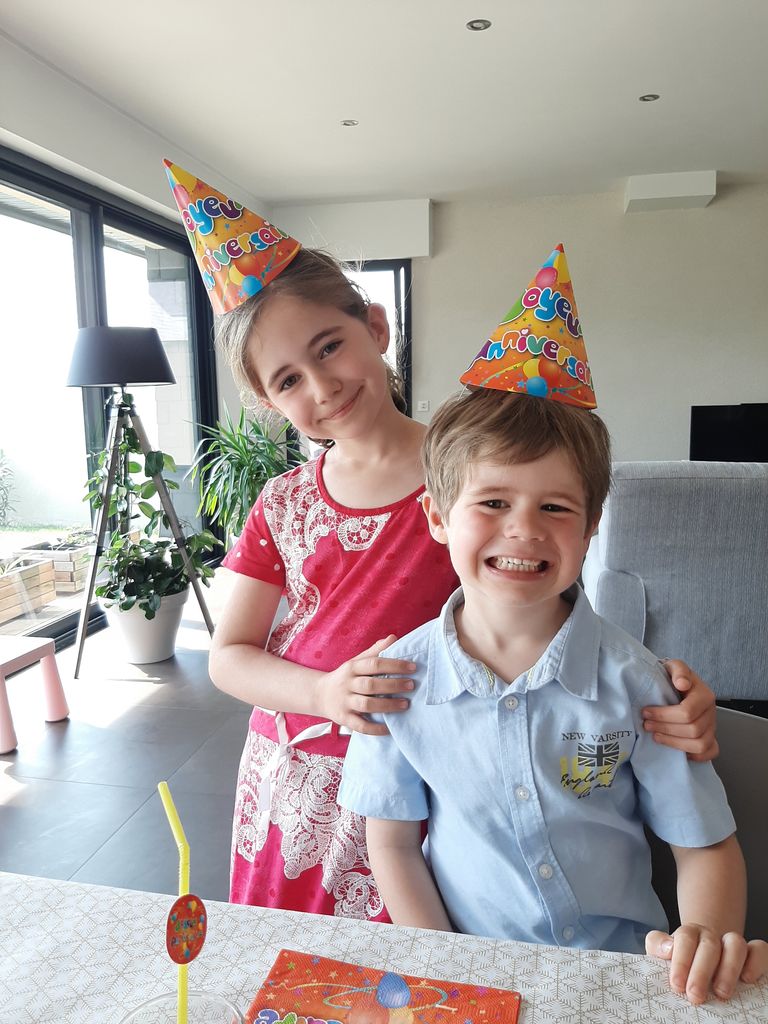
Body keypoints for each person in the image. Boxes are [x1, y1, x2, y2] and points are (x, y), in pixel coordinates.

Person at [162, 163, 719, 922]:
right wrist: (322, 694)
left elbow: (558, 599)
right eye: (287, 380)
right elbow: (229, 655)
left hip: (444, 782)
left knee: (422, 967)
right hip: (296, 782)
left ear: (375, 327)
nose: (321, 386)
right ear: (266, 400)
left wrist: (663, 691)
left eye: (329, 347)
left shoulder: (480, 480)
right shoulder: (282, 502)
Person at [338, 386, 768, 1003]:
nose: (524, 529)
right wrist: (448, 972)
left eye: (556, 508)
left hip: (624, 974)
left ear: (591, 526)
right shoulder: (395, 685)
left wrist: (704, 936)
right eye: (493, 501)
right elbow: (393, 844)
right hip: (478, 974)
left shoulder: (639, 683)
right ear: (437, 516)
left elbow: (704, 842)